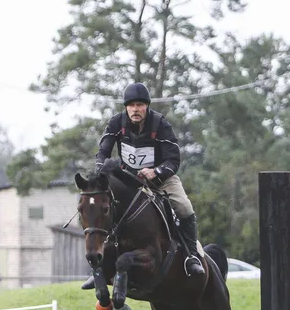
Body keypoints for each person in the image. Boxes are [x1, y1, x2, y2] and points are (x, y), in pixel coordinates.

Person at [80, 82, 205, 289]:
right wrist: (102, 170)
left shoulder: (160, 125)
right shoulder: (115, 123)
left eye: (140, 105)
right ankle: (101, 270)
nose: (135, 109)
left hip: (161, 180)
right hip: (129, 181)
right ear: (126, 107)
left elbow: (173, 160)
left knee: (184, 207)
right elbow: (102, 153)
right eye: (131, 105)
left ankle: (191, 256)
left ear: (146, 106)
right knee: (106, 210)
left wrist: (155, 171)